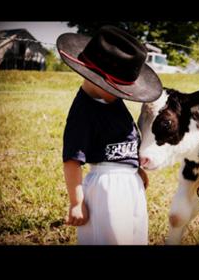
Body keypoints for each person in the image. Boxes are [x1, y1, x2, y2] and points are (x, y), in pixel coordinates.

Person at [57, 25, 163, 245]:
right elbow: (71, 161)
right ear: (97, 79)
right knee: (111, 238)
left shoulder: (114, 102)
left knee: (134, 236)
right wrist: (77, 203)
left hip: (130, 185)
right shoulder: (83, 112)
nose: (124, 95)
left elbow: (125, 139)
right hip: (106, 189)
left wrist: (135, 168)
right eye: (118, 88)